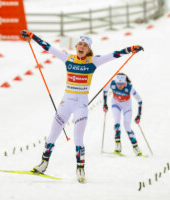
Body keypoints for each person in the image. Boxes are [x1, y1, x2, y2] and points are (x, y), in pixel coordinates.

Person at [20, 30, 143, 182]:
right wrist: (32, 36)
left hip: (81, 106)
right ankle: (43, 164)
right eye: (79, 44)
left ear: (89, 50)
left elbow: (114, 54)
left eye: (85, 45)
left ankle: (80, 169)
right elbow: (48, 47)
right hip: (66, 103)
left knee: (78, 139)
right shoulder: (68, 58)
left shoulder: (93, 61)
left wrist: (131, 49)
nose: (81, 46)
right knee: (53, 134)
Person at [103, 73, 143, 156]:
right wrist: (105, 103)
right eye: (118, 83)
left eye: (121, 84)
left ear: (125, 83)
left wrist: (139, 115)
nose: (119, 86)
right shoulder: (112, 84)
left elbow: (139, 101)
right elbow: (105, 90)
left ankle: (136, 149)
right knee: (117, 121)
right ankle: (118, 148)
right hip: (116, 104)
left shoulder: (129, 87)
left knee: (127, 125)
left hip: (126, 107)